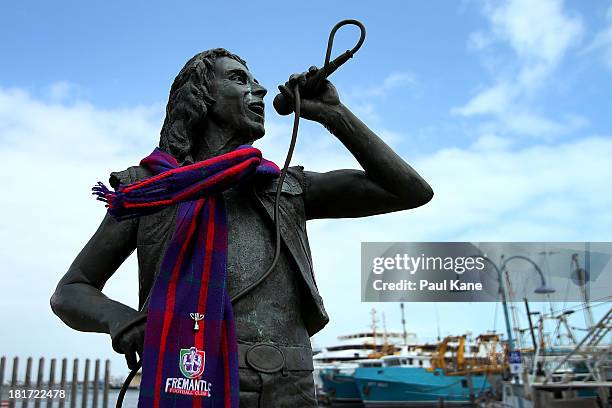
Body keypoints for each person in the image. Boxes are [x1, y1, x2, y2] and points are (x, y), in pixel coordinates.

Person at [50, 48, 433, 407]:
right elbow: (71, 290)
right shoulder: (149, 189)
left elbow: (409, 191)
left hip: (289, 383)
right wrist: (120, 321)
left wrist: (334, 114)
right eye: (239, 79)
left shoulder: (286, 188)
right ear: (202, 98)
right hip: (184, 372)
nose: (260, 89)